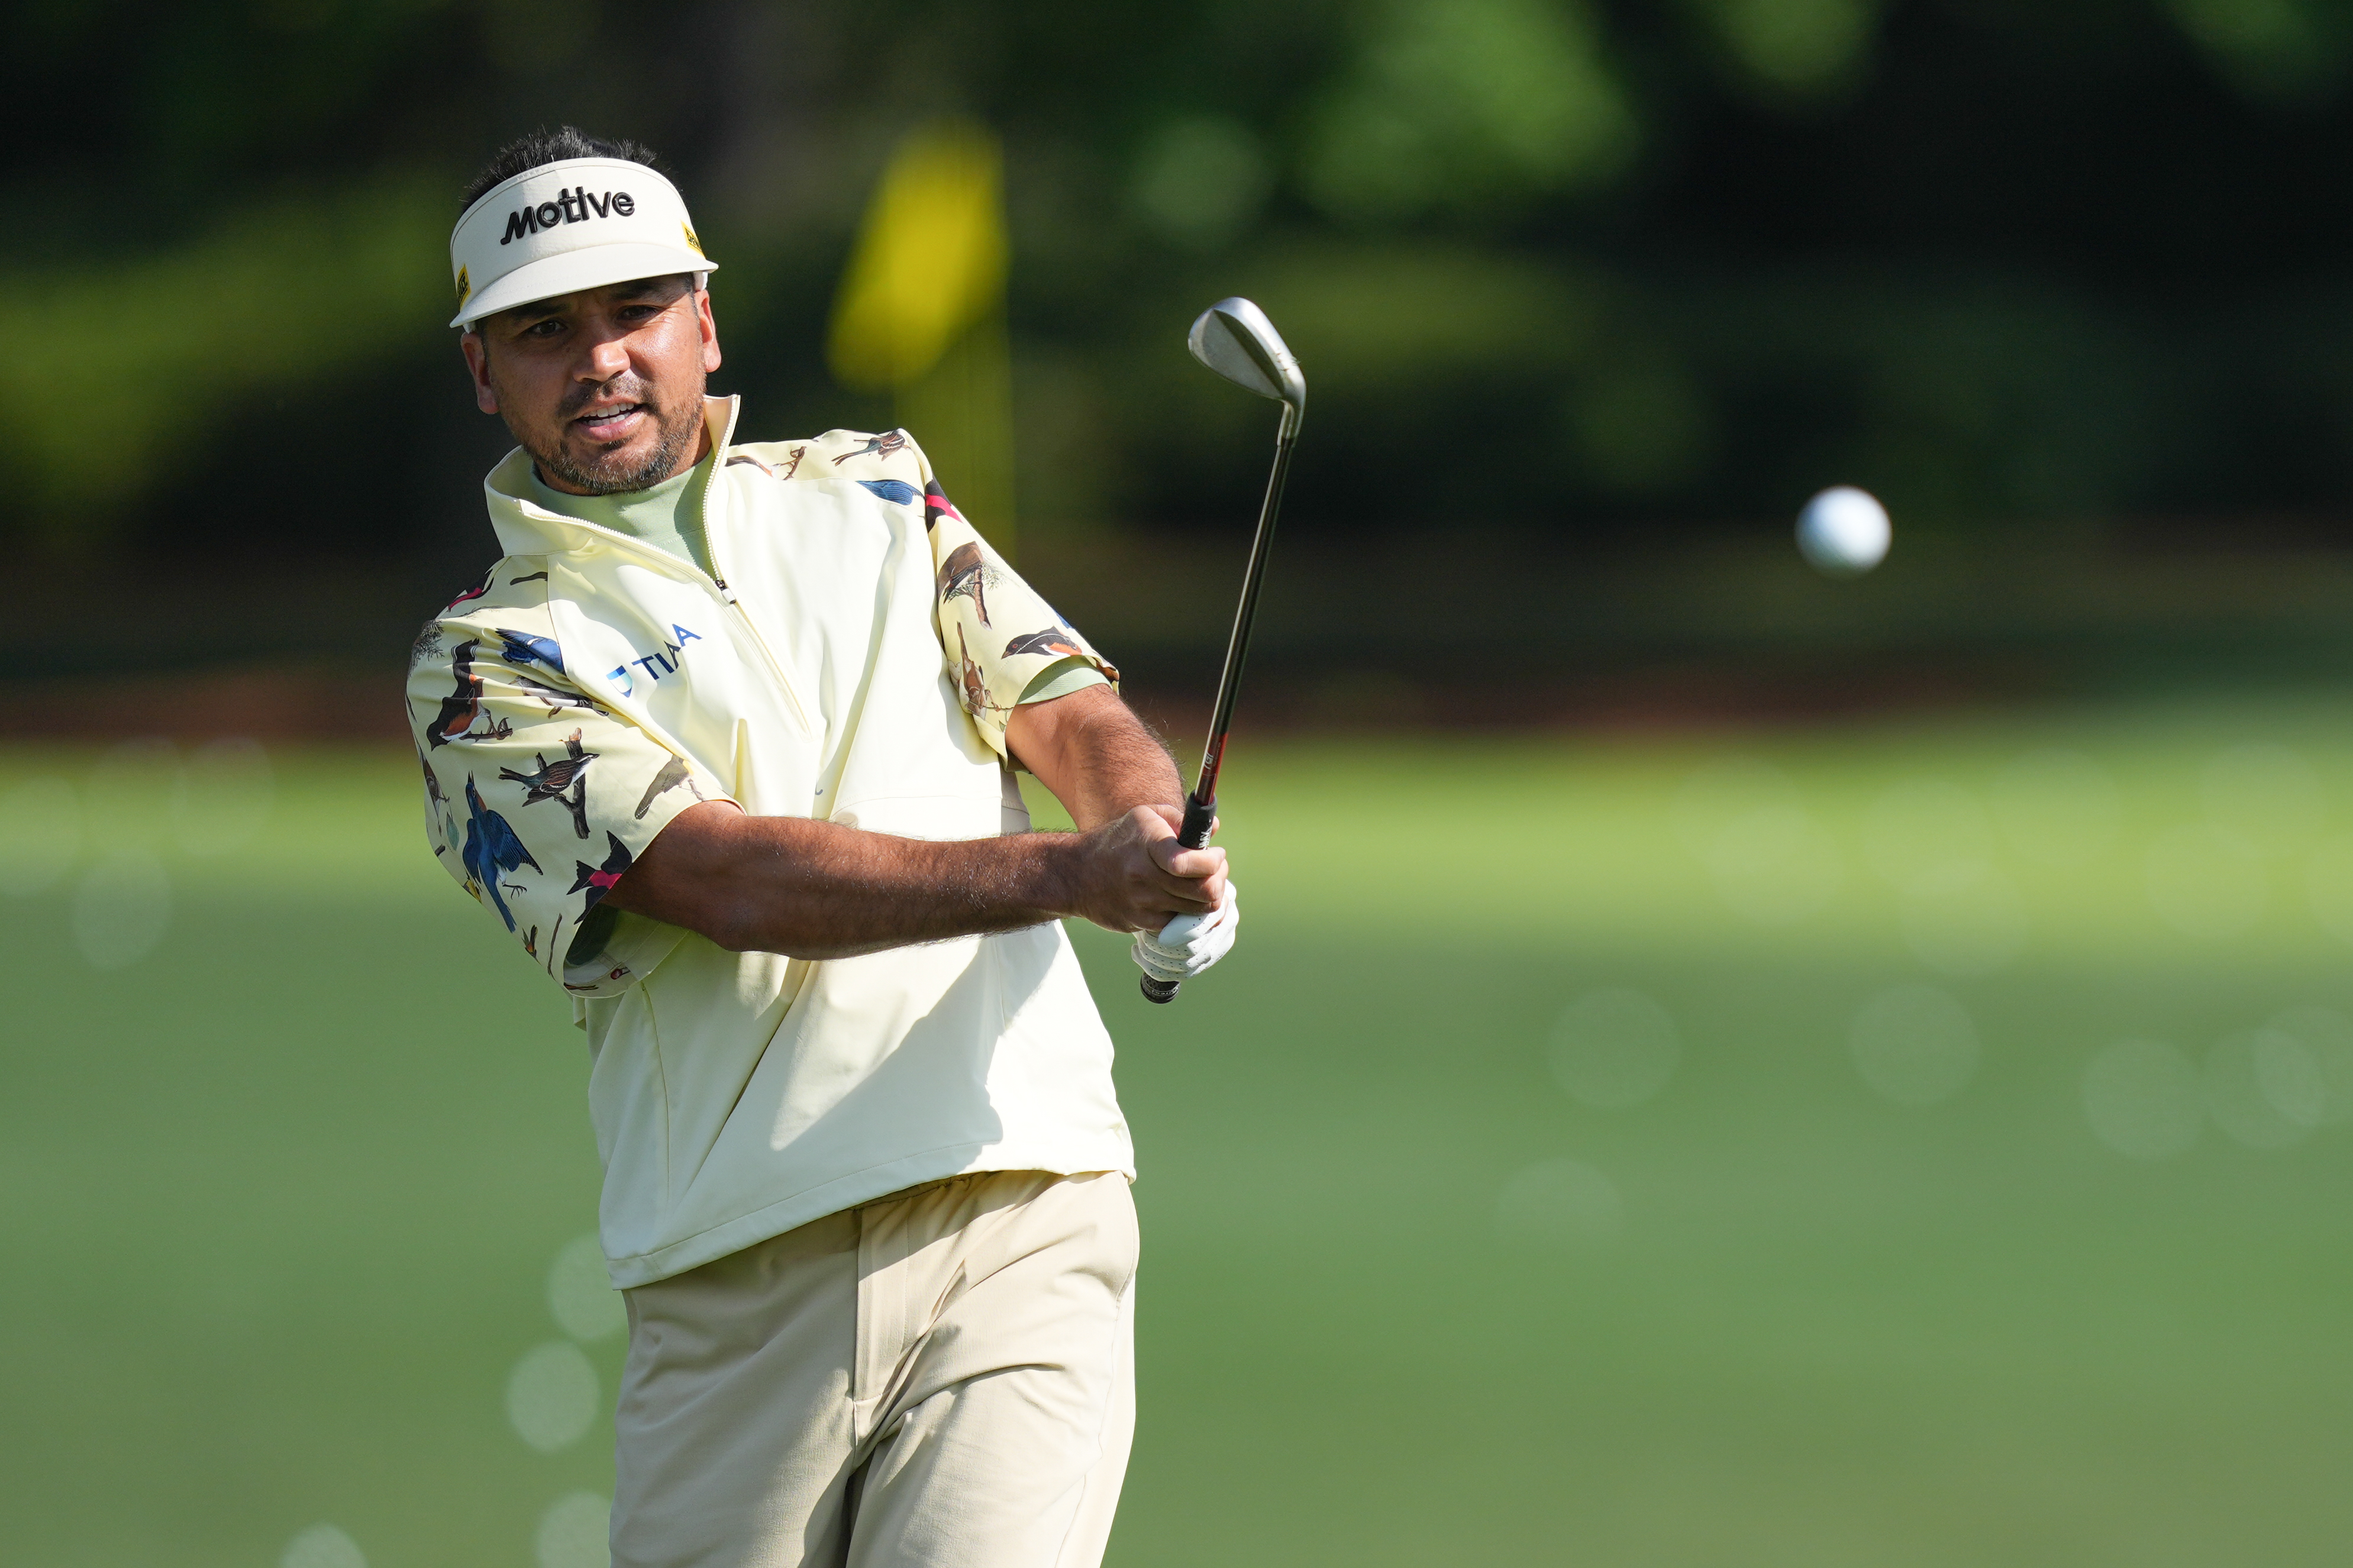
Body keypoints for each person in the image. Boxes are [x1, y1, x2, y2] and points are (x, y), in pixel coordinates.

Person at [406, 125, 1240, 1568]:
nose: (600, 359)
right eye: (545, 332)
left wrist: (1145, 832)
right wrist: (1071, 876)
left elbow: (1057, 697)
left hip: (1020, 1190)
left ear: (703, 323)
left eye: (634, 313)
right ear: (485, 370)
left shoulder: (875, 484)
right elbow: (724, 878)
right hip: (741, 1269)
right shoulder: (484, 668)